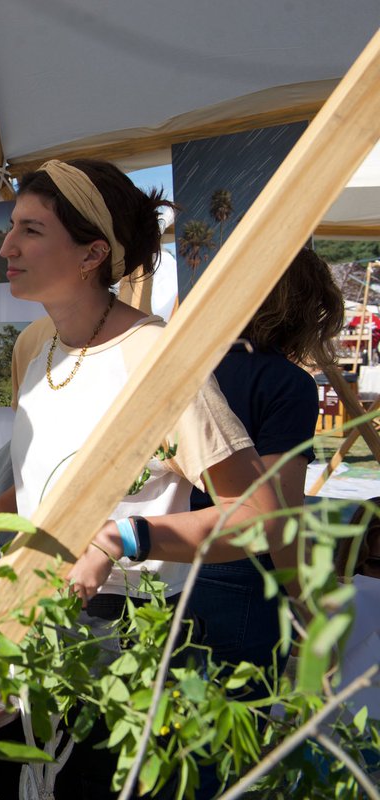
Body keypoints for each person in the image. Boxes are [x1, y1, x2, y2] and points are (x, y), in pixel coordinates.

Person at [0, 159, 282, 798]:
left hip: (127, 648)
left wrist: (121, 539)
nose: (7, 246)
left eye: (31, 229)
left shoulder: (155, 356)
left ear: (91, 253)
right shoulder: (33, 346)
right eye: (11, 228)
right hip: (27, 626)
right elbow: (46, 476)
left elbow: (259, 518)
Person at [189, 248, 343, 702]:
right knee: (228, 742)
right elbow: (278, 517)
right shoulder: (286, 383)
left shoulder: (188, 369)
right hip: (239, 582)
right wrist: (310, 611)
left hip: (163, 571)